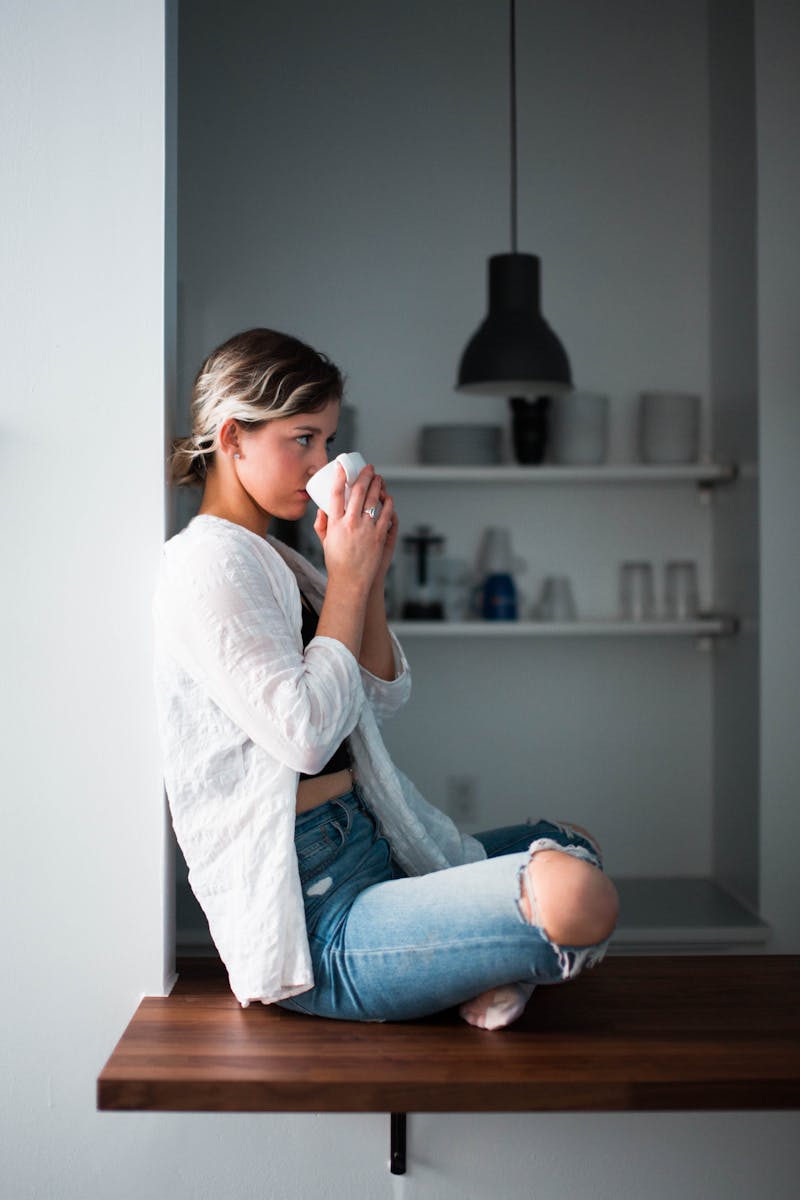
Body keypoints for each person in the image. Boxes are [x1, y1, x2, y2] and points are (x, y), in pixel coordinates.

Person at [154, 327, 618, 1030]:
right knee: (579, 894)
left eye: (329, 441)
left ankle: (475, 961)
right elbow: (308, 736)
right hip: (320, 916)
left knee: (570, 839)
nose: (321, 461)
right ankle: (482, 962)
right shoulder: (206, 563)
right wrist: (346, 575)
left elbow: (378, 695)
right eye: (302, 439)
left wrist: (365, 576)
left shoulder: (278, 560)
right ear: (234, 438)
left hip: (370, 843)